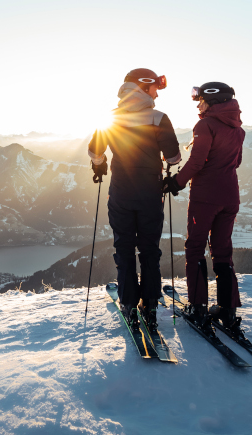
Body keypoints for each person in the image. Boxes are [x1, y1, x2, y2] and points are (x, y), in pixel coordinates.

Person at [89, 68, 181, 332]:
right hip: (150, 195)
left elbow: (95, 151)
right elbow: (174, 157)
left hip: (120, 193)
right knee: (150, 249)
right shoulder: (158, 117)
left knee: (124, 248)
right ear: (143, 87)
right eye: (155, 89)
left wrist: (100, 164)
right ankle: (150, 303)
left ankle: (129, 303)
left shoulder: (111, 118)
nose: (157, 94)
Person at [163, 82, 245, 335]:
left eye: (200, 100)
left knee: (195, 248)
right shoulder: (238, 129)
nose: (198, 104)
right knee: (223, 252)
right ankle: (227, 310)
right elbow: (237, 162)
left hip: (205, 198)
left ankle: (198, 307)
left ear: (212, 100)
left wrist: (175, 182)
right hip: (230, 196)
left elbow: (197, 162)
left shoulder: (205, 125)